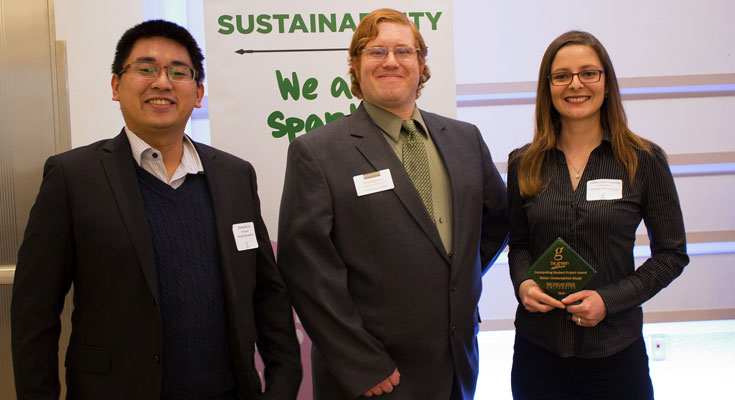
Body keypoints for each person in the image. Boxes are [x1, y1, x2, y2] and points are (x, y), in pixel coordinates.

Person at [11, 20, 301, 400]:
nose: (162, 82)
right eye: (145, 69)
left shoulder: (234, 175)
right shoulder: (72, 177)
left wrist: (281, 383)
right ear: (116, 86)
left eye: (178, 72)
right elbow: (35, 310)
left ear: (198, 93)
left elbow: (267, 294)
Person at [277, 8, 508, 400]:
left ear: (421, 63)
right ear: (355, 65)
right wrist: (362, 365)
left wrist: (448, 285)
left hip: (456, 366)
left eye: (403, 50)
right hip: (373, 378)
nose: (390, 61)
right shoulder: (316, 152)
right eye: (375, 51)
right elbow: (307, 271)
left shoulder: (465, 139)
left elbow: (495, 224)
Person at [506, 30, 689, 400]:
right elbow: (519, 246)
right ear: (548, 86)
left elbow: (671, 255)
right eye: (562, 76)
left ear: (606, 82)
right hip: (537, 353)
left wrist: (610, 300)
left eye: (589, 73)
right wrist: (524, 284)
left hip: (616, 354)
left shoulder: (644, 159)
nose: (576, 85)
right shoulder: (523, 163)